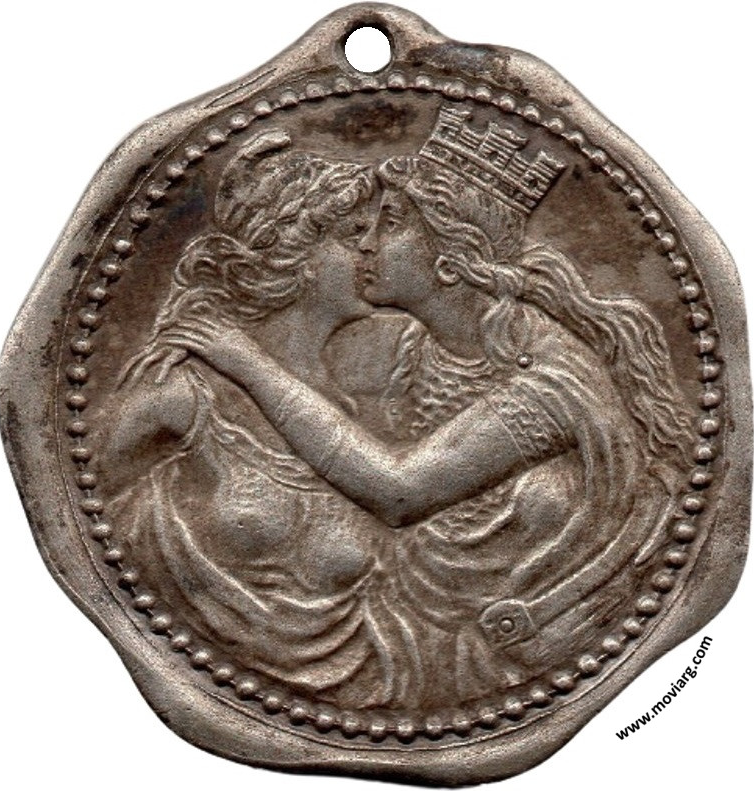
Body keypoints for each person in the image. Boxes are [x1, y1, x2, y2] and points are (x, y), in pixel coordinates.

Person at [164, 107, 695, 704]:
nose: (366, 243)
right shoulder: (421, 348)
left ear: (450, 256)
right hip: (419, 641)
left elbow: (398, 494)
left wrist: (244, 362)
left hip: (524, 656)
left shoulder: (548, 381)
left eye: (390, 223)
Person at [100, 130, 424, 710]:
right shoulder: (183, 388)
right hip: (198, 674)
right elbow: (82, 500)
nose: (371, 248)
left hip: (366, 694)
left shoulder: (361, 411)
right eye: (352, 234)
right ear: (296, 256)